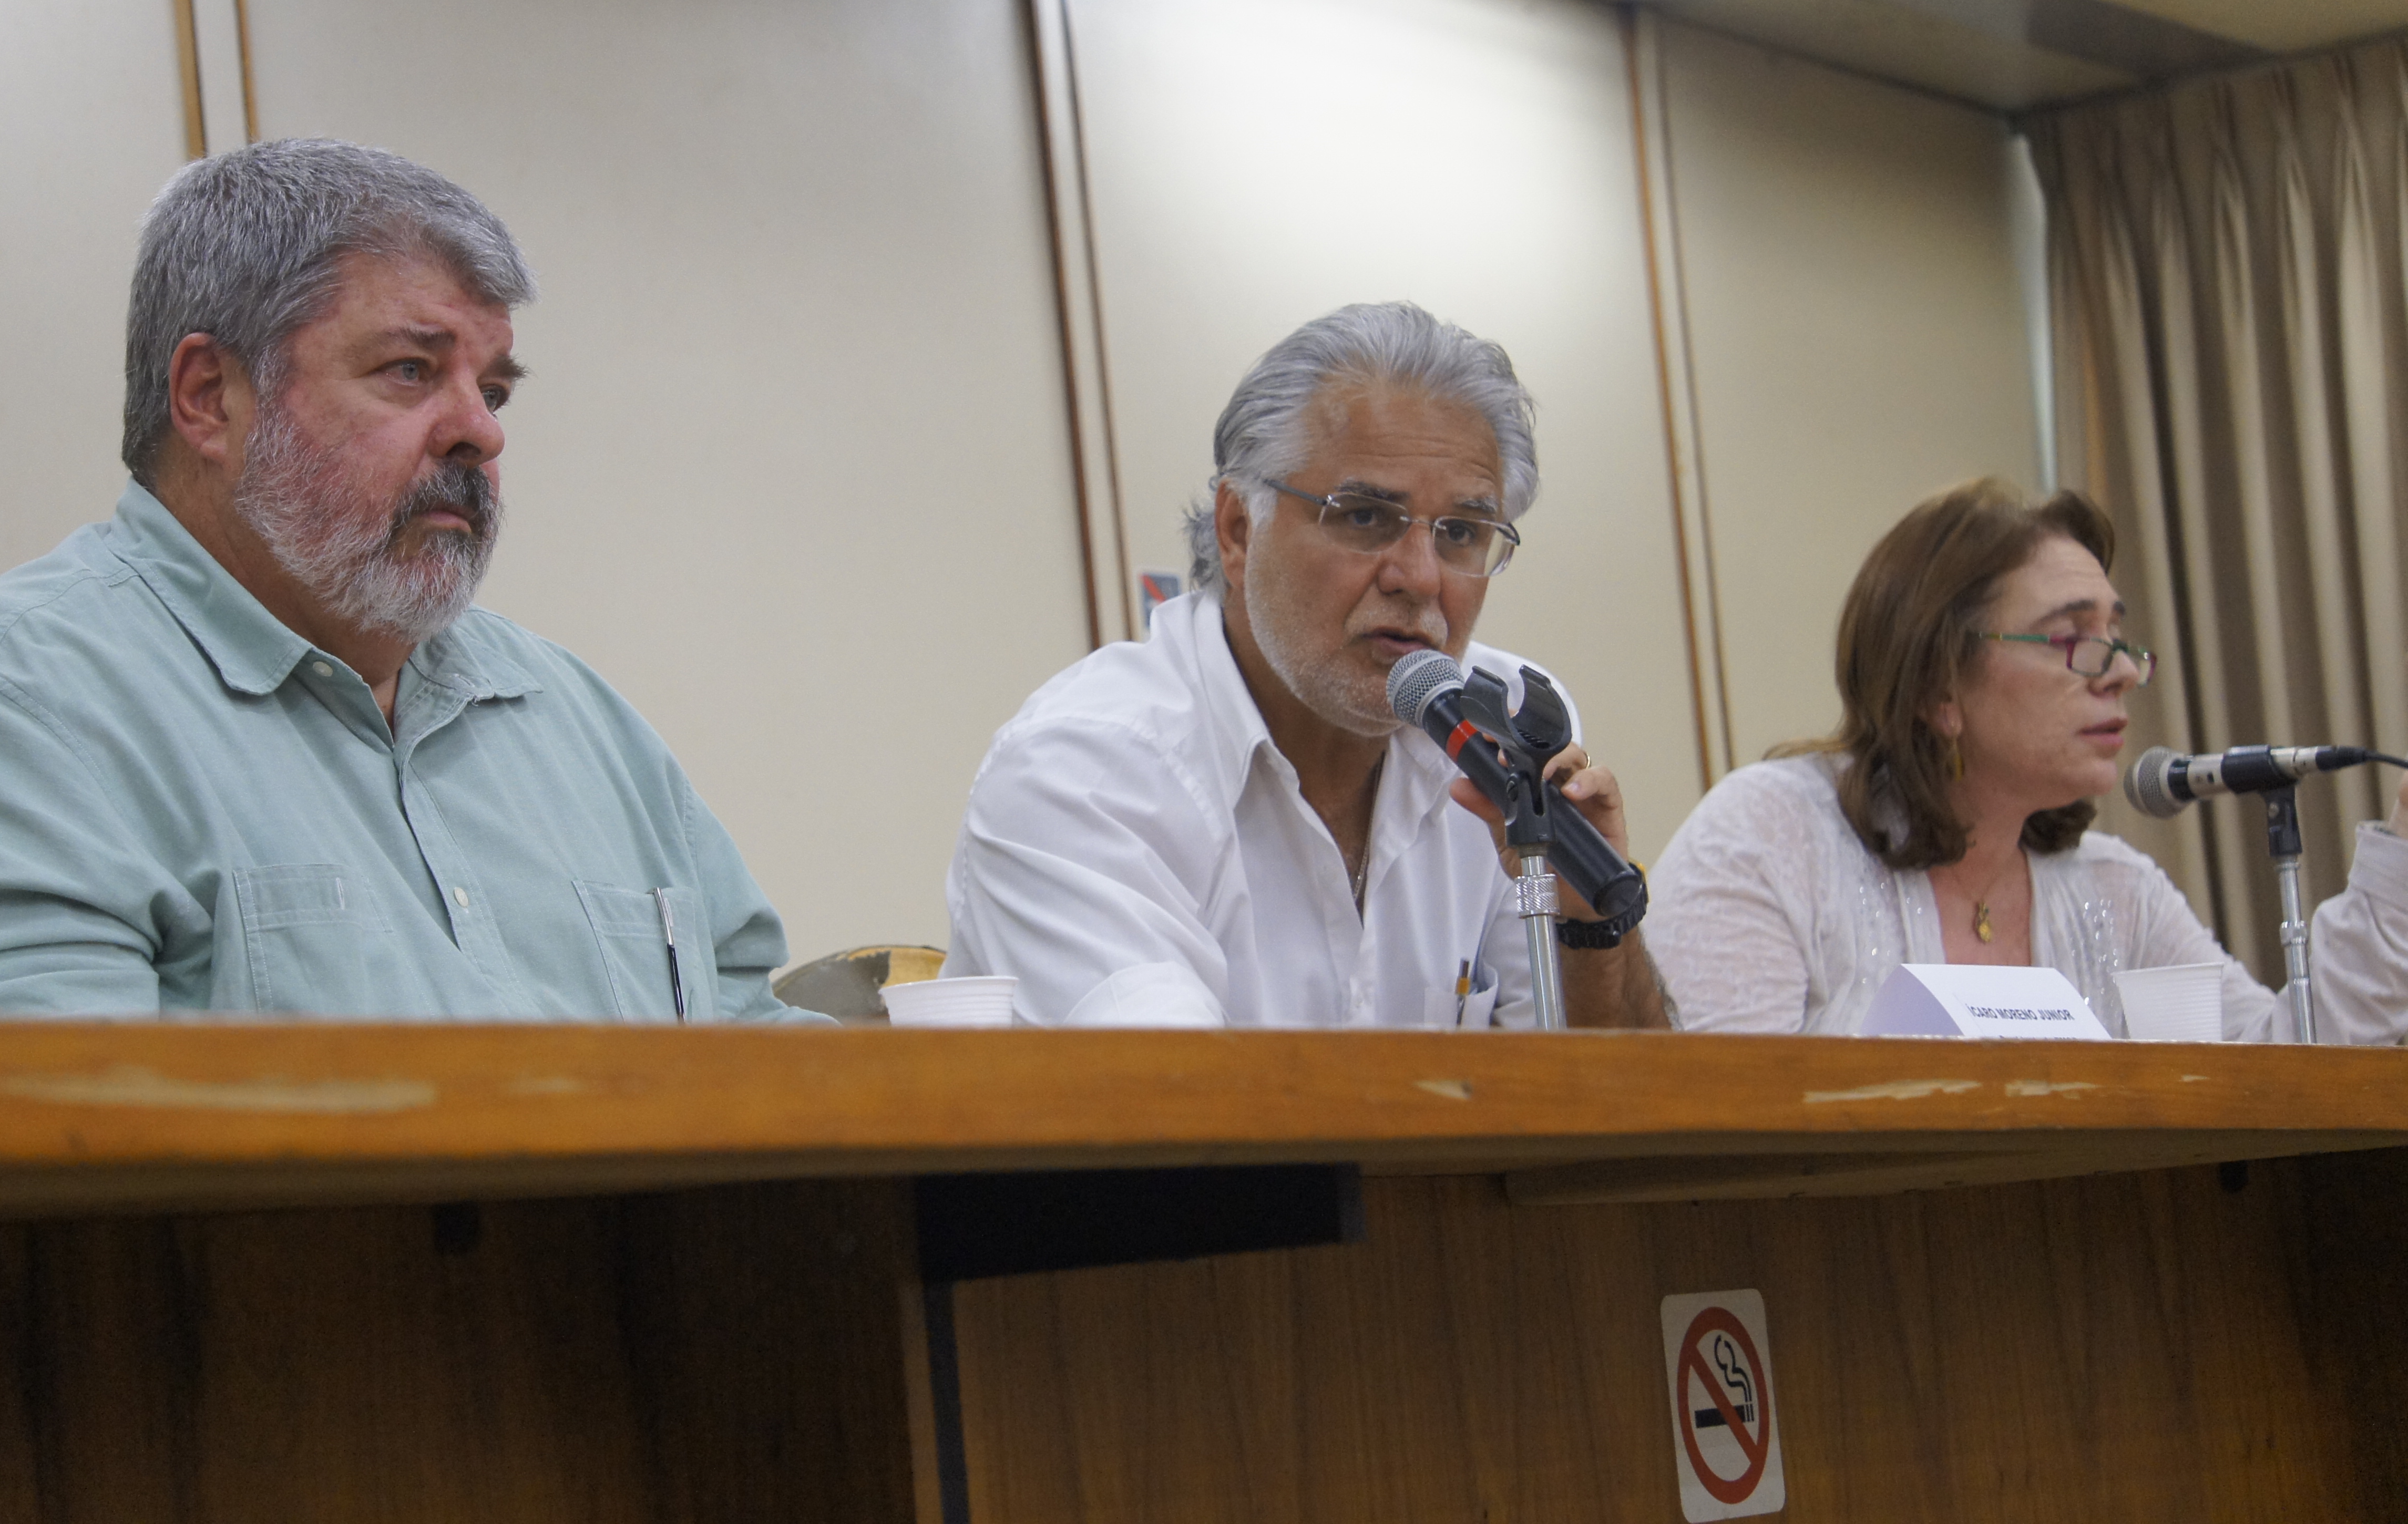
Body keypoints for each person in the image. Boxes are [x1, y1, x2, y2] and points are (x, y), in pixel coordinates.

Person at [0, 138, 820, 1022]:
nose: (481, 431)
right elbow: (42, 1143)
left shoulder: (585, 727)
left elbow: (762, 1066)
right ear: (210, 398)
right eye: (410, 371)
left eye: (494, 389)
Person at [944, 302, 1672, 1028]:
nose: (1420, 577)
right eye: (1365, 517)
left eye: (1461, 533)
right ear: (1239, 531)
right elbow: (1182, 1095)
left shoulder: (1508, 726)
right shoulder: (1080, 770)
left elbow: (1630, 1092)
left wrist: (1592, 927)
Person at [1646, 478, 2408, 1041]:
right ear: (1940, 684)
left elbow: (2273, 1070)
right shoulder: (1771, 838)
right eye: (2073, 639)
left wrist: (2401, 857)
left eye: (2118, 638)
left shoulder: (2115, 891)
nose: (2122, 671)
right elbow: (1719, 1118)